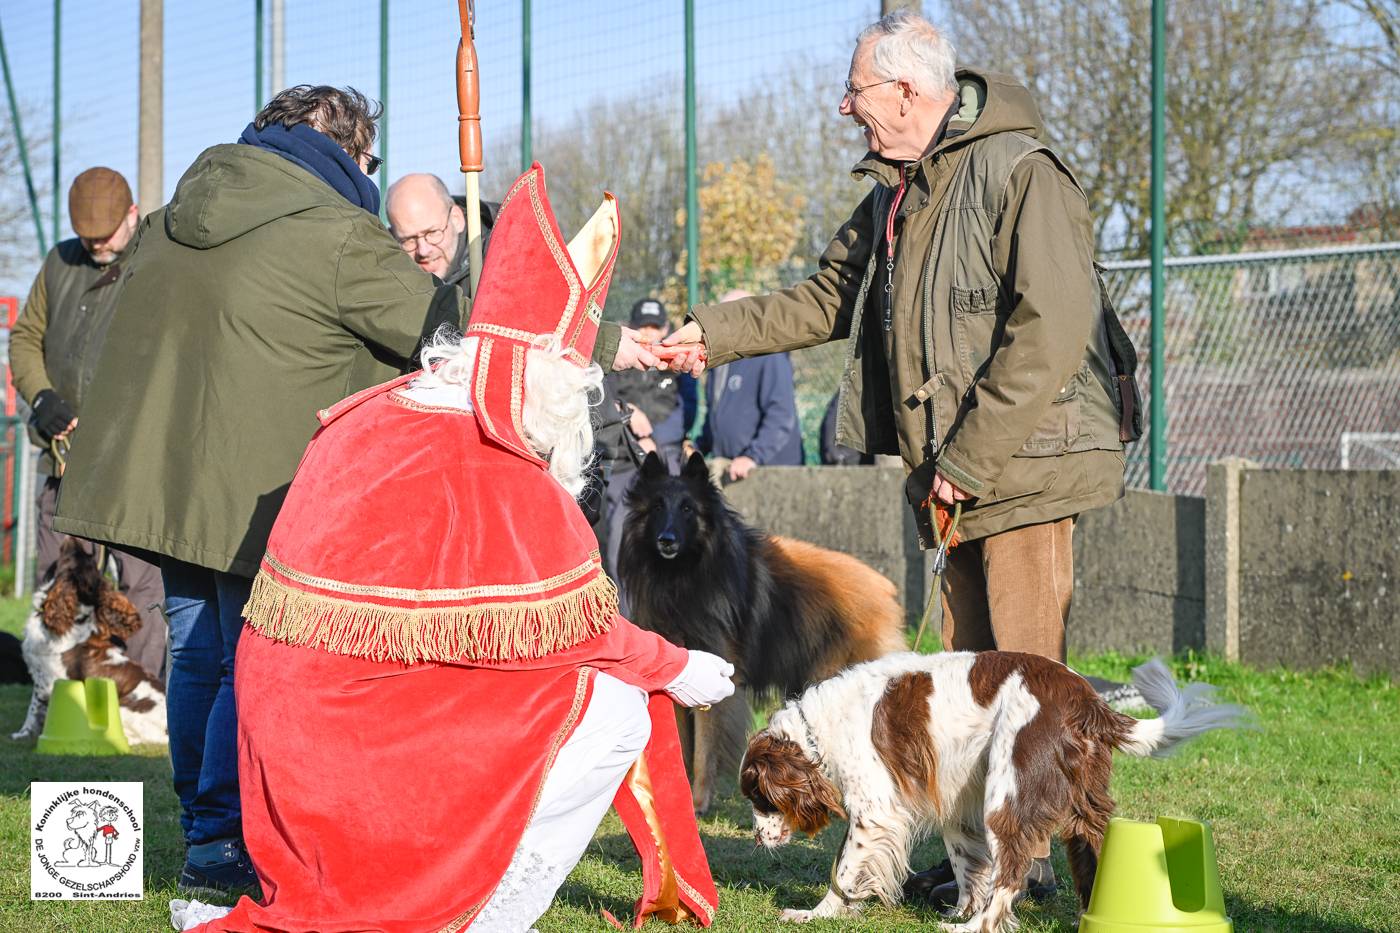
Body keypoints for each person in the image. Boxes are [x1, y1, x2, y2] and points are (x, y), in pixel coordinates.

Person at [52, 86, 661, 896]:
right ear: (346, 150)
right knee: (247, 664)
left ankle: (206, 834)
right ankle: (234, 835)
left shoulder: (172, 218)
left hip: (166, 480)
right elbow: (455, 325)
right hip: (256, 487)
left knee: (197, 650)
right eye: (367, 160)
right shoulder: (331, 231)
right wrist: (609, 338)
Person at [172, 163, 728, 933]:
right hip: (370, 773)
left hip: (290, 775)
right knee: (617, 706)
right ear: (543, 384)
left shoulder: (379, 411)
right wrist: (680, 665)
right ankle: (488, 912)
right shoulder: (499, 463)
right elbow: (578, 633)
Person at [661, 11, 1137, 902]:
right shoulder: (894, 190)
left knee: (1033, 693)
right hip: (950, 475)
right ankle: (983, 866)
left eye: (858, 93)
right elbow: (821, 298)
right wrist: (706, 335)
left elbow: (1055, 327)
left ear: (910, 91)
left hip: (1022, 470)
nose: (846, 109)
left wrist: (971, 451)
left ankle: (1064, 876)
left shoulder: (1021, 173)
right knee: (961, 697)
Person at [8, 167, 167, 678]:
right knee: (59, 579)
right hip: (63, 458)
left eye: (107, 236)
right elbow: (25, 336)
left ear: (132, 214)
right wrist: (42, 396)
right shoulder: (60, 261)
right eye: (88, 238)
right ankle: (57, 691)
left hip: (129, 462)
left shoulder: (158, 261)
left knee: (141, 583)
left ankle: (141, 693)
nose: (97, 245)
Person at [597, 298, 688, 599]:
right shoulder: (617, 364)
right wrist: (630, 413)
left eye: (655, 327)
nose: (649, 333)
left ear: (665, 328)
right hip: (624, 463)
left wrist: (655, 444)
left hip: (665, 461)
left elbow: (685, 412)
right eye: (643, 327)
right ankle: (625, 614)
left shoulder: (679, 365)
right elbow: (605, 408)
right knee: (620, 536)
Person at [696, 290, 805, 484]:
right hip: (732, 471)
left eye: (728, 314)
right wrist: (697, 449)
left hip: (770, 472)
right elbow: (716, 416)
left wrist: (753, 456)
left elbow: (780, 415)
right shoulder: (720, 361)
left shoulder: (770, 355)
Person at [384, 171, 496, 285]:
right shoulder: (388, 278)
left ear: (456, 219)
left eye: (432, 233)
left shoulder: (501, 257)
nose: (423, 251)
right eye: (408, 240)